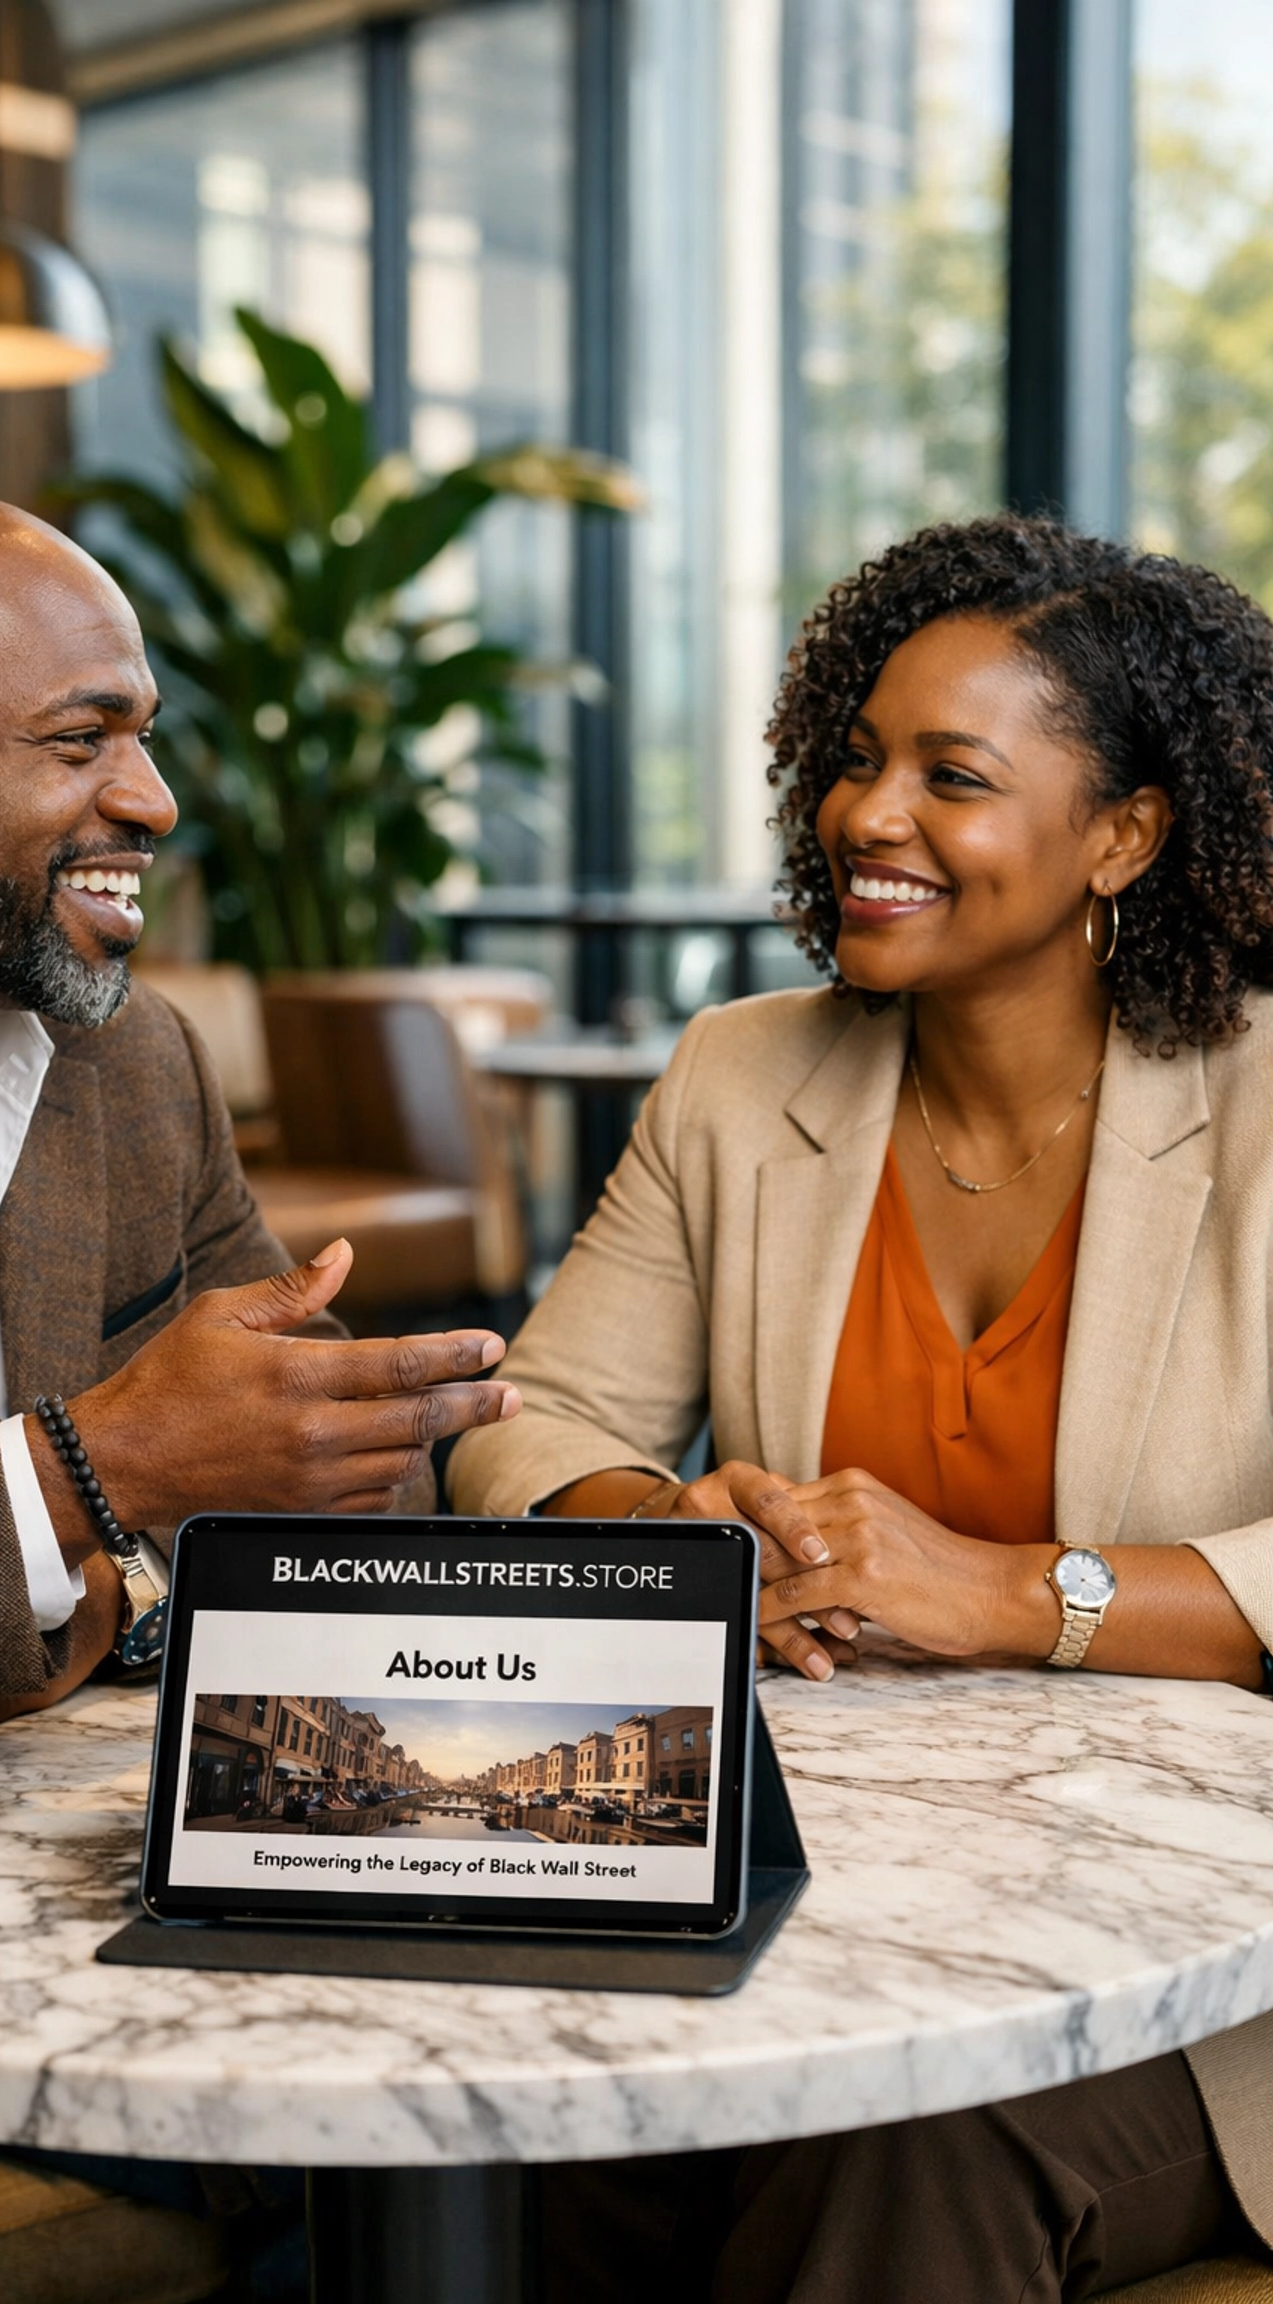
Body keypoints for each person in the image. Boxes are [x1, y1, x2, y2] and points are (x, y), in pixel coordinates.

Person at [451, 513, 1273, 2301]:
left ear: (1122, 834)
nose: (867, 816)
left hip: (1214, 1965)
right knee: (584, 2085)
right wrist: (664, 1537)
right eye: (855, 759)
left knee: (911, 2137)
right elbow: (535, 1413)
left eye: (952, 777)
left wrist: (995, 1591)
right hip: (827, 1892)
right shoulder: (744, 1075)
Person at [0, 482, 520, 2300]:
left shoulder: (129, 1063)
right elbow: (143, 1461)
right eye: (80, 740)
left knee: (441, 2143)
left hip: (29, 1868)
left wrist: (130, 1569)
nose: (153, 802)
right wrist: (87, 1478)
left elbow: (333, 1489)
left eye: (145, 737)